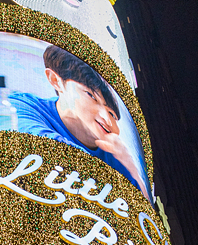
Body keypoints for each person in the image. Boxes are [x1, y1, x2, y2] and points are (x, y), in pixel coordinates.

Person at [9, 45, 150, 199]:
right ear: (55, 80)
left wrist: (131, 167)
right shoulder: (22, 105)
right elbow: (40, 146)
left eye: (111, 113)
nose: (105, 117)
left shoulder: (118, 159)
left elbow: (144, 214)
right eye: (91, 96)